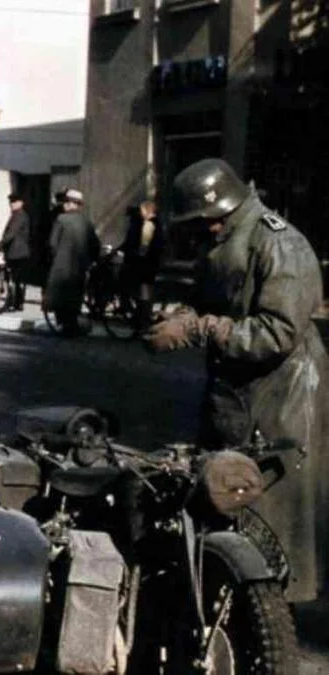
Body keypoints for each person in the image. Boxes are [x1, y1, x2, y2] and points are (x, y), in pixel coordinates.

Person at [143, 158, 328, 603]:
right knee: (226, 497)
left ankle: (270, 618)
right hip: (236, 394)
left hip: (282, 397)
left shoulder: (278, 243)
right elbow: (207, 298)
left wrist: (198, 328)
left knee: (272, 516)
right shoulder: (224, 237)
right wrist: (178, 316)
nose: (202, 230)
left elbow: (276, 333)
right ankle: (238, 599)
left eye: (204, 221)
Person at [44, 188, 101, 335]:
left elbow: (52, 244)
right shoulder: (86, 222)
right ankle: (73, 323)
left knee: (59, 296)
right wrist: (91, 260)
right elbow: (95, 245)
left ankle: (64, 324)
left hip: (61, 267)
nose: (64, 205)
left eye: (66, 202)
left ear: (71, 204)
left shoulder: (61, 220)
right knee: (75, 296)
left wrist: (53, 258)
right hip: (79, 268)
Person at [119, 199, 164, 328]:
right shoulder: (158, 224)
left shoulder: (148, 225)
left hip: (145, 265)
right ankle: (143, 316)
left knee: (138, 289)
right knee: (145, 291)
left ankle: (141, 317)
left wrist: (136, 256)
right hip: (153, 263)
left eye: (142, 210)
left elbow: (144, 246)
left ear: (146, 210)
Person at [0, 194, 31, 311]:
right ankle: (17, 303)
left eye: (14, 202)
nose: (11, 204)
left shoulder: (19, 216)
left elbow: (11, 234)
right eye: (11, 202)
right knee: (18, 280)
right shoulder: (19, 215)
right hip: (19, 252)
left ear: (21, 203)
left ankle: (15, 303)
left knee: (14, 279)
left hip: (16, 253)